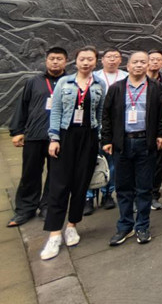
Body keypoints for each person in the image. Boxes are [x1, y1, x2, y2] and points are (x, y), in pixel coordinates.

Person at [40, 46, 107, 261]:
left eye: (90, 59)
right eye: (82, 59)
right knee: (59, 185)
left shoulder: (99, 84)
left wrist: (99, 138)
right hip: (66, 135)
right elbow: (56, 111)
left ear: (95, 62)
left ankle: (71, 226)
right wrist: (54, 138)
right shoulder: (64, 82)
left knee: (81, 184)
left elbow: (100, 112)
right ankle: (54, 234)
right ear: (75, 61)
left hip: (89, 137)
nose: (86, 63)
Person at [101, 51, 162, 246]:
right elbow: (106, 115)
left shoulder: (155, 87)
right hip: (122, 143)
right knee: (123, 187)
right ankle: (125, 226)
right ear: (128, 66)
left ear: (147, 65)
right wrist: (107, 139)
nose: (139, 65)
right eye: (135, 62)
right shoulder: (116, 88)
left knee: (144, 188)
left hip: (145, 142)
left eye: (143, 62)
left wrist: (161, 134)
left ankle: (142, 226)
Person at [7, 47, 67, 227]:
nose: (55, 62)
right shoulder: (34, 82)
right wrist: (17, 131)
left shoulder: (69, 82)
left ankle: (48, 206)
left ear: (65, 61)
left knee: (56, 174)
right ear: (46, 61)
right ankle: (25, 209)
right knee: (30, 173)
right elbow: (22, 106)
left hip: (59, 137)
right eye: (52, 58)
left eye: (59, 59)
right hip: (34, 135)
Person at [85, 48, 128, 215]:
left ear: (120, 60)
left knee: (111, 163)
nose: (112, 60)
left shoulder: (125, 77)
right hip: (93, 125)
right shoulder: (93, 77)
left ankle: (108, 194)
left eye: (116, 57)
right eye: (108, 57)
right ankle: (88, 196)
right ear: (102, 60)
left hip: (116, 126)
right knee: (89, 161)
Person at [146, 49, 162, 210]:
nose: (155, 62)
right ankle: (138, 196)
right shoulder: (137, 79)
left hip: (158, 128)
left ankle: (154, 195)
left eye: (158, 60)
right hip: (139, 128)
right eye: (152, 59)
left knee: (157, 164)